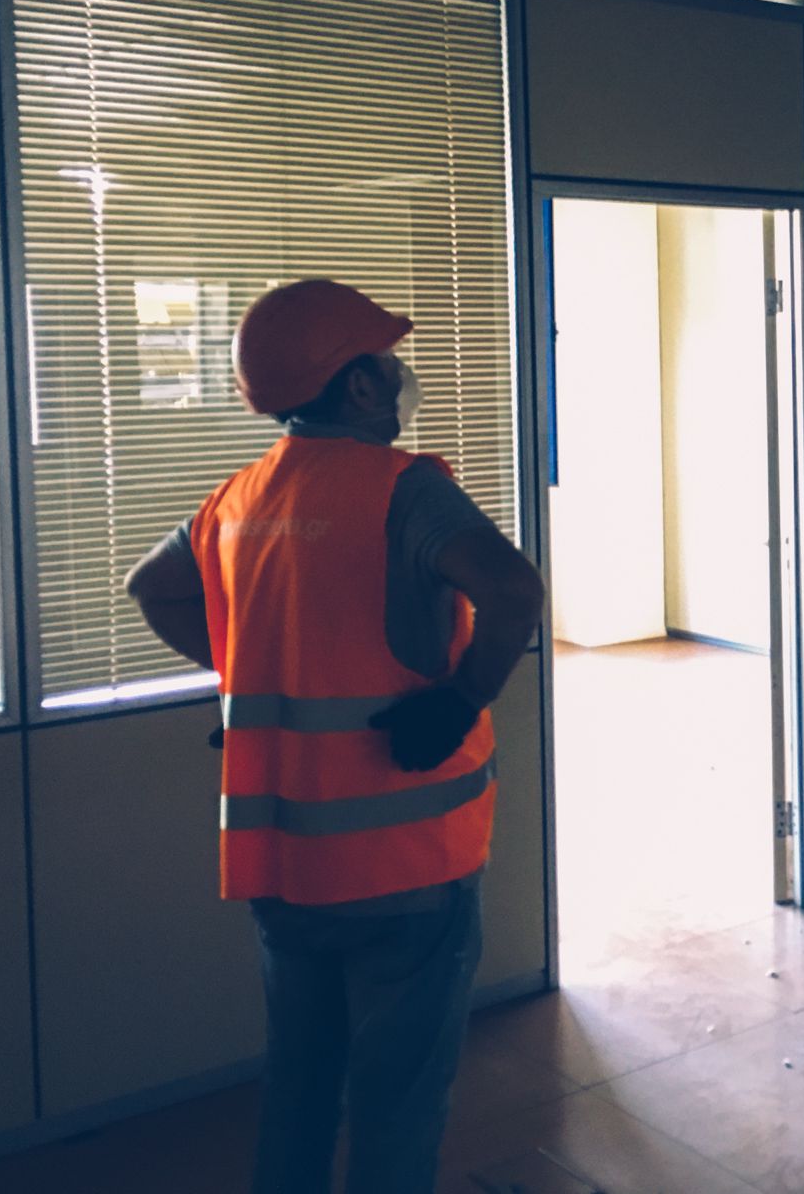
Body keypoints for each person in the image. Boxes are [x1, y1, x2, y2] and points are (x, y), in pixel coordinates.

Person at [125, 279, 545, 1194]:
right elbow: (515, 591)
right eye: (388, 362)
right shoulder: (402, 491)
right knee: (397, 1106)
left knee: (300, 1088)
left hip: (284, 863)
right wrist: (462, 698)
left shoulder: (238, 500)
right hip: (406, 865)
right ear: (358, 385)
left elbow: (151, 587)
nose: (400, 376)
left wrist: (248, 677)